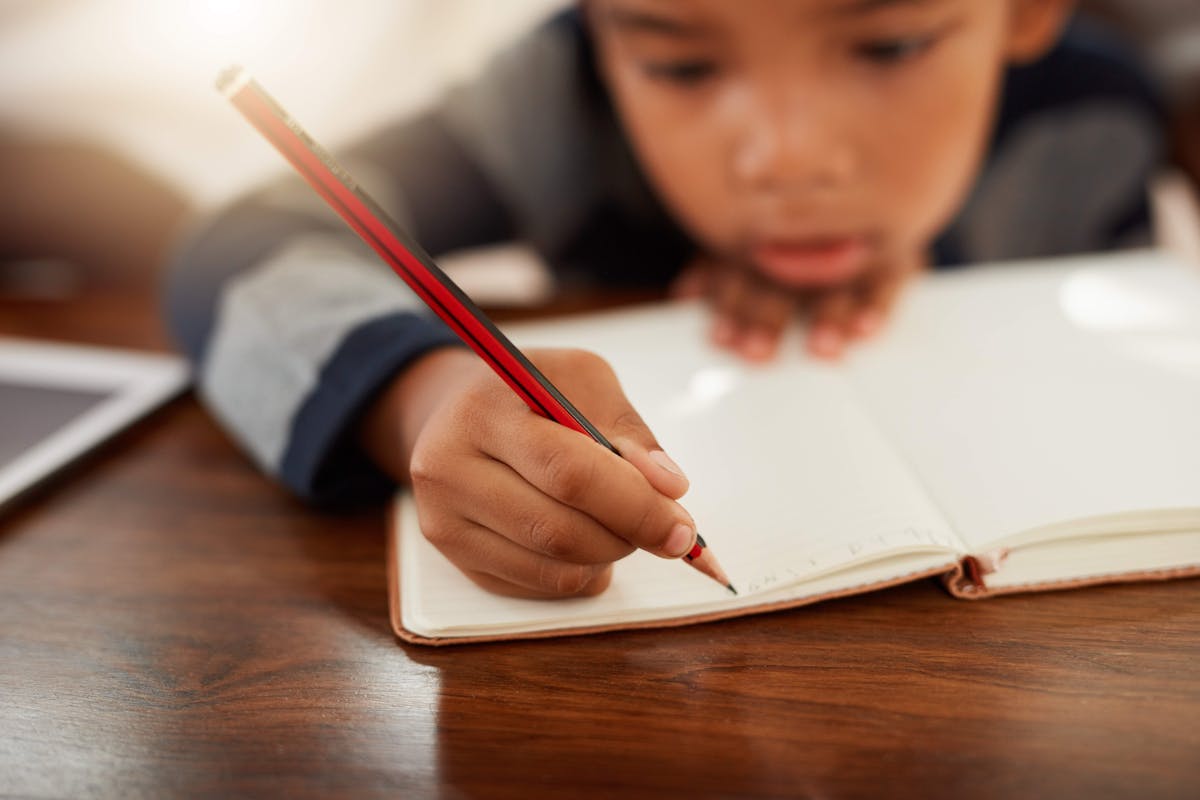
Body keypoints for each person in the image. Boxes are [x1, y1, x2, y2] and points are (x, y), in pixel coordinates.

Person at [166, 0, 1162, 599]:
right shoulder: (550, 102)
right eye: (683, 65)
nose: (789, 157)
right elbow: (239, 245)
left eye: (889, 46)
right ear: (599, 29)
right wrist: (420, 393)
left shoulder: (1112, 112)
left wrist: (933, 257)